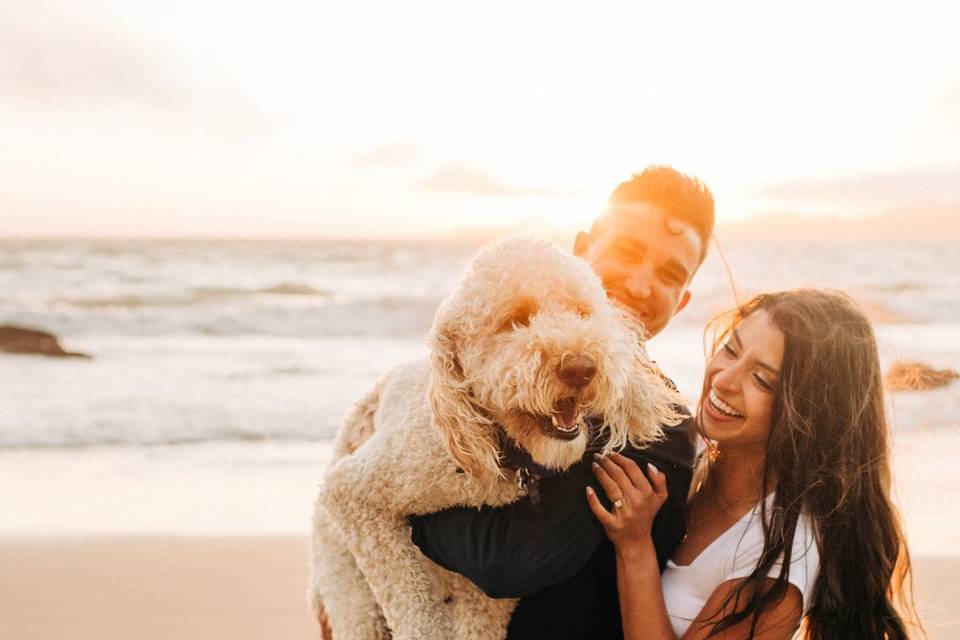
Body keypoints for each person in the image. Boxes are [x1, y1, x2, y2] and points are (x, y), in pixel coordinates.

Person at [408, 165, 715, 639]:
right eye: (627, 252)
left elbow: (511, 561)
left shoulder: (661, 425)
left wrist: (403, 513)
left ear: (682, 301)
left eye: (668, 275)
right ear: (579, 252)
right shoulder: (507, 380)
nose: (638, 283)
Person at [588, 290, 919, 639]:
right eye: (731, 349)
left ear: (810, 413)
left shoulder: (778, 562)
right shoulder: (683, 458)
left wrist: (635, 546)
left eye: (762, 379)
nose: (725, 379)